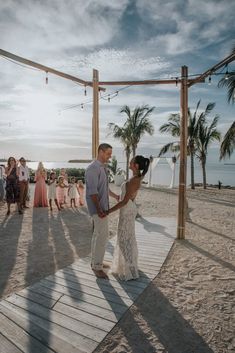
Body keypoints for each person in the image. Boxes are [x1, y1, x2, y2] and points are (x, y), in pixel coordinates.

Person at [108, 155, 150, 281]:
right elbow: (125, 197)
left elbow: (125, 201)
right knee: (127, 237)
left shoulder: (134, 180)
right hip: (128, 209)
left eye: (132, 161)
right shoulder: (137, 177)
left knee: (124, 239)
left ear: (136, 165)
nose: (129, 162)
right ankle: (130, 265)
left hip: (127, 210)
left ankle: (130, 268)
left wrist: (109, 210)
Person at [85, 143, 119, 279]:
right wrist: (99, 210)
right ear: (100, 152)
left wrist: (115, 196)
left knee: (97, 235)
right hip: (98, 208)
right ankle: (97, 267)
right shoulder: (93, 168)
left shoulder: (102, 168)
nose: (110, 157)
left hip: (103, 207)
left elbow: (104, 188)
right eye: (108, 153)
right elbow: (93, 192)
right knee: (102, 237)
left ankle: (95, 262)